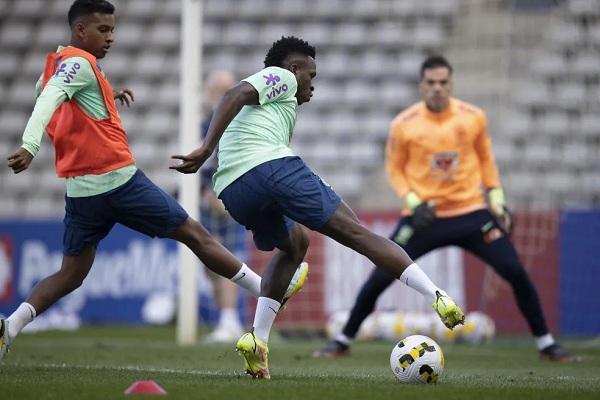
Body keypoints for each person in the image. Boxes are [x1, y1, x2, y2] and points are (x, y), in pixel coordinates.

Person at [0, 0, 307, 362]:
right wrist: (30, 145)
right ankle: (269, 290)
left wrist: (103, 95)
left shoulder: (57, 65)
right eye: (103, 29)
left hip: (81, 191)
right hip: (118, 181)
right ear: (80, 30)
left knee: (71, 273)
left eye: (113, 29)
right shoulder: (80, 64)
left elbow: (47, 93)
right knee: (194, 234)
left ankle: (10, 327)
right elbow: (51, 98)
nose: (111, 37)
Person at [171, 37, 465, 380]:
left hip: (233, 190)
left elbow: (239, 105)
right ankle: (438, 296)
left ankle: (257, 340)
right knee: (357, 233)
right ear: (294, 69)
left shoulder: (276, 107)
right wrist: (205, 148)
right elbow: (233, 93)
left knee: (295, 243)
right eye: (311, 75)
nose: (312, 84)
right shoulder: (279, 77)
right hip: (269, 167)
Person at [315, 55, 581, 363]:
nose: (437, 88)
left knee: (514, 271)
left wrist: (496, 199)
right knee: (381, 274)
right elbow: (395, 168)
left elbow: (486, 161)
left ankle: (547, 344)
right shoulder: (404, 124)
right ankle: (343, 339)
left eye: (443, 83)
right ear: (421, 85)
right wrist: (414, 203)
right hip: (424, 216)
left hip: (472, 214)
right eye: (431, 83)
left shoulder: (473, 117)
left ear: (451, 84)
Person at [200, 70, 247, 343]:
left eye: (227, 89)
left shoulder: (236, 123)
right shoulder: (204, 123)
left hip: (226, 199)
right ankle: (225, 319)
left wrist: (221, 191)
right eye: (218, 89)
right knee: (210, 262)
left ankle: (229, 318)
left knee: (226, 256)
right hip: (205, 200)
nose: (221, 95)